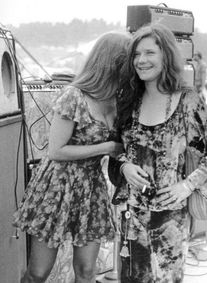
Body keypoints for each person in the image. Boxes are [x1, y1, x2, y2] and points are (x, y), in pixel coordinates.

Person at [108, 23, 207, 283]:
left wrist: (188, 185)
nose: (141, 60)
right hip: (132, 217)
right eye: (136, 54)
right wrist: (123, 166)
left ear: (165, 55)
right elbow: (114, 146)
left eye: (149, 53)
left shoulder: (187, 101)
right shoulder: (128, 98)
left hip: (170, 220)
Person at [13, 31, 131, 283]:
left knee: (87, 271)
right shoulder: (74, 96)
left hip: (91, 189)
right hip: (57, 187)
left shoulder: (118, 101)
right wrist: (107, 148)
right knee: (38, 272)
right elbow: (56, 151)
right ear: (113, 63)